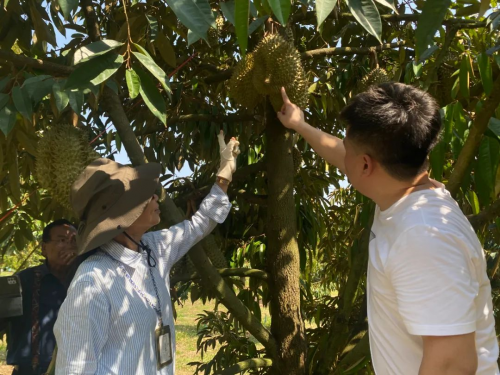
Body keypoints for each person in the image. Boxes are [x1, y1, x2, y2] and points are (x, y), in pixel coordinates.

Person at [277, 83, 499, 375]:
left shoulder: (422, 237)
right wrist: (300, 126)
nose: (344, 155)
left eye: (350, 151)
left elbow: (453, 364)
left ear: (367, 166)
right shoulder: (413, 195)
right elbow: (346, 155)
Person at [53, 131, 239, 375]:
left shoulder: (154, 249)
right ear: (122, 217)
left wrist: (224, 174)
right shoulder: (92, 281)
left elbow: (197, 226)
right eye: (143, 196)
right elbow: (75, 369)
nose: (154, 196)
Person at [0, 219, 77, 375]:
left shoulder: (89, 280)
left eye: (74, 241)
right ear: (44, 248)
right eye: (62, 240)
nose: (69, 246)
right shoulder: (24, 280)